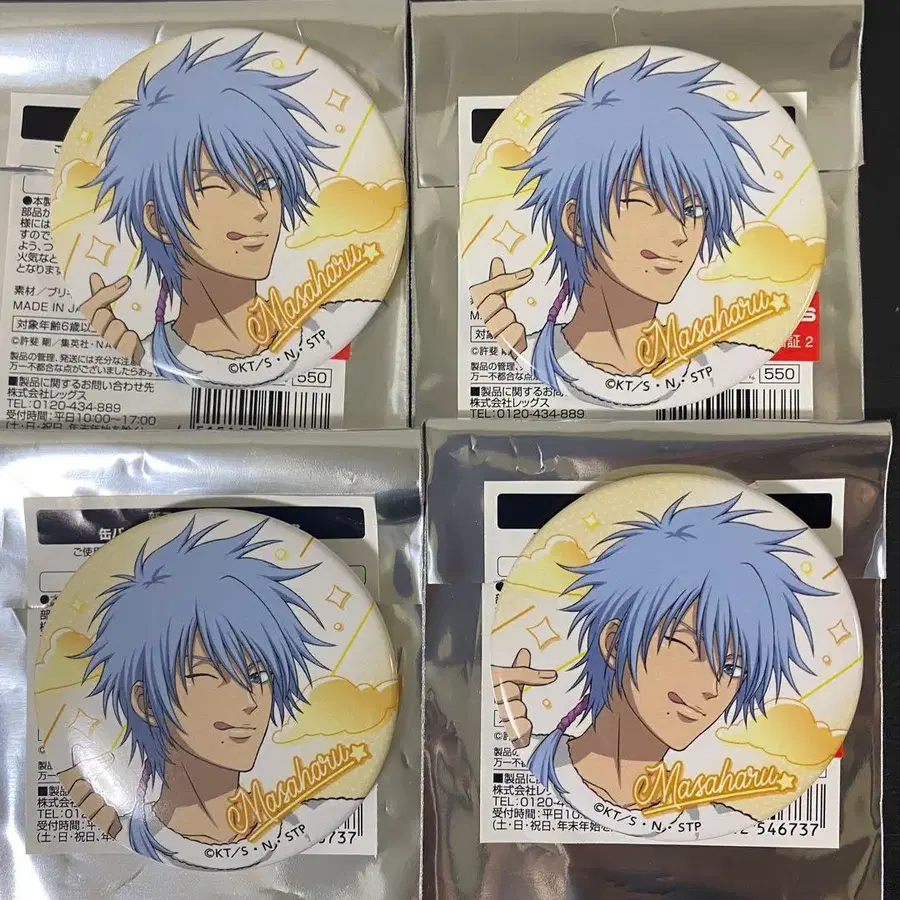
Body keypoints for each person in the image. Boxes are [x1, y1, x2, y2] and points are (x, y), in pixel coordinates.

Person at [492, 495, 832, 837]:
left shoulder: (717, 824)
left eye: (732, 668)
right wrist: (482, 719)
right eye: (686, 644)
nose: (711, 687)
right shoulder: (524, 760)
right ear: (614, 643)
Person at [470, 51, 772, 407]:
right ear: (576, 222)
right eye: (645, 201)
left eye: (693, 209)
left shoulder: (736, 367)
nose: (681, 232)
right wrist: (490, 355)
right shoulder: (524, 356)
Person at [59, 518, 359, 868]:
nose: (249, 701)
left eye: (258, 675)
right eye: (208, 674)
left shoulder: (315, 820)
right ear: (146, 703)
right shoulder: (118, 831)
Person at [80, 34, 365, 386]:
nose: (259, 208)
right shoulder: (145, 355)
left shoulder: (338, 324)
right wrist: (119, 375)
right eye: (217, 186)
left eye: (265, 182)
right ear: (159, 221)